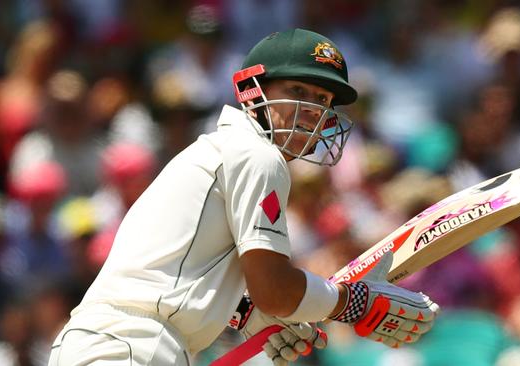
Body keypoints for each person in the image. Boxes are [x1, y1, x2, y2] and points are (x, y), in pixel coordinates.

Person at [48, 28, 440, 366]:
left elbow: (178, 273)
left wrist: (251, 316)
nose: (312, 110)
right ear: (253, 91)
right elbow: (276, 289)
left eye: (323, 101)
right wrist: (354, 303)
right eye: (298, 90)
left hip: (101, 343)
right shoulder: (258, 155)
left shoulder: (218, 150)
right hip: (133, 347)